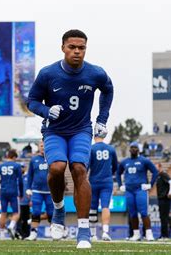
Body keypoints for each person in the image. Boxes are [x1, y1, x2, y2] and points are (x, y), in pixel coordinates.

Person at [27, 29, 113, 249]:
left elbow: (108, 89)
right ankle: (58, 209)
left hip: (81, 130)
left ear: (86, 49)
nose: (77, 52)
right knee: (56, 168)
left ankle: (83, 230)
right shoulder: (48, 73)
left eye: (81, 48)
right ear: (63, 47)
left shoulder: (96, 73)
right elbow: (32, 101)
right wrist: (46, 111)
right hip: (54, 131)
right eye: (72, 47)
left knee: (79, 169)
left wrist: (102, 118)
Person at [117, 142, 158, 241]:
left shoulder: (144, 160)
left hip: (140, 189)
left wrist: (150, 184)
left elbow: (155, 172)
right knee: (132, 213)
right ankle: (136, 234)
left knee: (144, 212)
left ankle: (149, 233)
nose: (133, 149)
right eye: (132, 147)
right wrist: (120, 185)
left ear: (139, 149)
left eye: (135, 147)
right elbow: (118, 173)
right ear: (129, 149)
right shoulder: (124, 162)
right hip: (129, 190)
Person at [0, 149, 23, 240]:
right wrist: (21, 193)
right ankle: (11, 226)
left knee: (3, 213)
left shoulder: (0, 166)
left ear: (7, 156)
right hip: (13, 191)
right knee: (16, 213)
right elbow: (21, 182)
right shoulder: (17, 166)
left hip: (3, 191)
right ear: (14, 157)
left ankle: (2, 235)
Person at [88, 135, 118, 241]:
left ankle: (93, 234)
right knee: (105, 206)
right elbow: (115, 166)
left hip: (93, 181)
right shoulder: (111, 148)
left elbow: (87, 166)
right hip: (106, 181)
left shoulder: (91, 148)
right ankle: (105, 232)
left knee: (92, 207)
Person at [25, 140, 54, 241]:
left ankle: (54, 232)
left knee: (51, 213)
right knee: (36, 211)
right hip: (37, 190)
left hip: (50, 190)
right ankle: (33, 233)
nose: (43, 147)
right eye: (41, 145)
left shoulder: (52, 158)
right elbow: (30, 175)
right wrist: (28, 188)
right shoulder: (34, 159)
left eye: (45, 145)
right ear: (38, 147)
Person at [155, 162, 171, 240]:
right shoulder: (158, 176)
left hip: (165, 199)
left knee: (164, 217)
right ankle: (163, 235)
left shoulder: (163, 174)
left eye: (156, 167)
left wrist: (170, 193)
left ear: (160, 167)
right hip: (160, 198)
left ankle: (165, 235)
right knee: (162, 217)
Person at [17, 162, 31, 239]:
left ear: (25, 168)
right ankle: (19, 233)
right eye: (20, 167)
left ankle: (26, 234)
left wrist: (31, 200)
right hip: (18, 202)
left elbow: (30, 188)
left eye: (22, 167)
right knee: (18, 218)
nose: (21, 169)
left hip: (26, 202)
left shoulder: (28, 177)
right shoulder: (17, 176)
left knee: (26, 219)